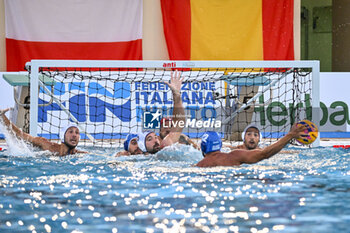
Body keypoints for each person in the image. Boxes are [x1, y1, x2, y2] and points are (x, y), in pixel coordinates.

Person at [196, 123, 307, 167]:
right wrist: (290, 135)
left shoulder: (199, 165)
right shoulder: (235, 155)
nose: (252, 137)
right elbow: (265, 154)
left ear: (203, 148)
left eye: (255, 135)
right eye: (249, 134)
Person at [0, 108, 85, 156]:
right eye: (71, 132)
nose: (74, 135)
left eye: (77, 133)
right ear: (62, 136)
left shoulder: (80, 155)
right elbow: (19, 135)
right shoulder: (45, 145)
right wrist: (2, 116)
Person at [138, 70, 187, 154]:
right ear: (142, 145)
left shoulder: (165, 147)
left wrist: (176, 95)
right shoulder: (136, 158)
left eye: (155, 138)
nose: (156, 140)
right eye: (150, 139)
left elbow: (179, 122)